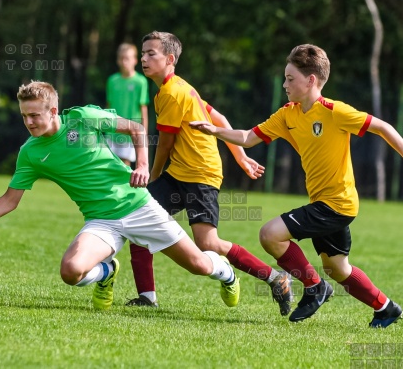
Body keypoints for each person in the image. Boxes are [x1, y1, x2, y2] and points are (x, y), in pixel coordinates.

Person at [0, 81, 241, 310]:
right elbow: (10, 200)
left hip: (139, 207)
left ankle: (226, 273)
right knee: (70, 271)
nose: (29, 123)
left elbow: (135, 129)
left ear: (53, 111)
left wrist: (144, 167)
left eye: (34, 116)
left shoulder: (84, 118)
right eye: (24, 117)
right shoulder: (30, 153)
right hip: (101, 221)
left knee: (200, 266)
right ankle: (106, 271)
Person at [190, 44, 403, 328]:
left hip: (337, 204)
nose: (284, 84)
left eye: (290, 79)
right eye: (285, 78)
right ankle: (385, 308)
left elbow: (384, 127)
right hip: (326, 202)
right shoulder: (287, 115)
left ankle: (315, 287)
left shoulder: (335, 112)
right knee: (338, 268)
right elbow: (247, 137)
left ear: (311, 80)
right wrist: (215, 130)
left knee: (270, 234)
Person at [125, 30, 293, 315]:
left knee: (208, 243)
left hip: (201, 174)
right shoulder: (176, 87)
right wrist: (241, 157)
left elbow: (164, 144)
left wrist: (152, 177)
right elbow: (219, 118)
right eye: (142, 53)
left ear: (169, 59)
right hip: (180, 173)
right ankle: (147, 296)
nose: (144, 58)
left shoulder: (173, 93)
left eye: (151, 53)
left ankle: (276, 278)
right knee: (137, 220)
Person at [105, 43, 149, 166]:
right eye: (122, 58)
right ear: (118, 60)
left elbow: (143, 108)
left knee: (125, 166)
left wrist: (143, 133)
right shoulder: (112, 81)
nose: (124, 62)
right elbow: (108, 106)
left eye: (127, 58)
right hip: (112, 131)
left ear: (135, 60)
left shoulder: (141, 82)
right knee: (108, 165)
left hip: (130, 132)